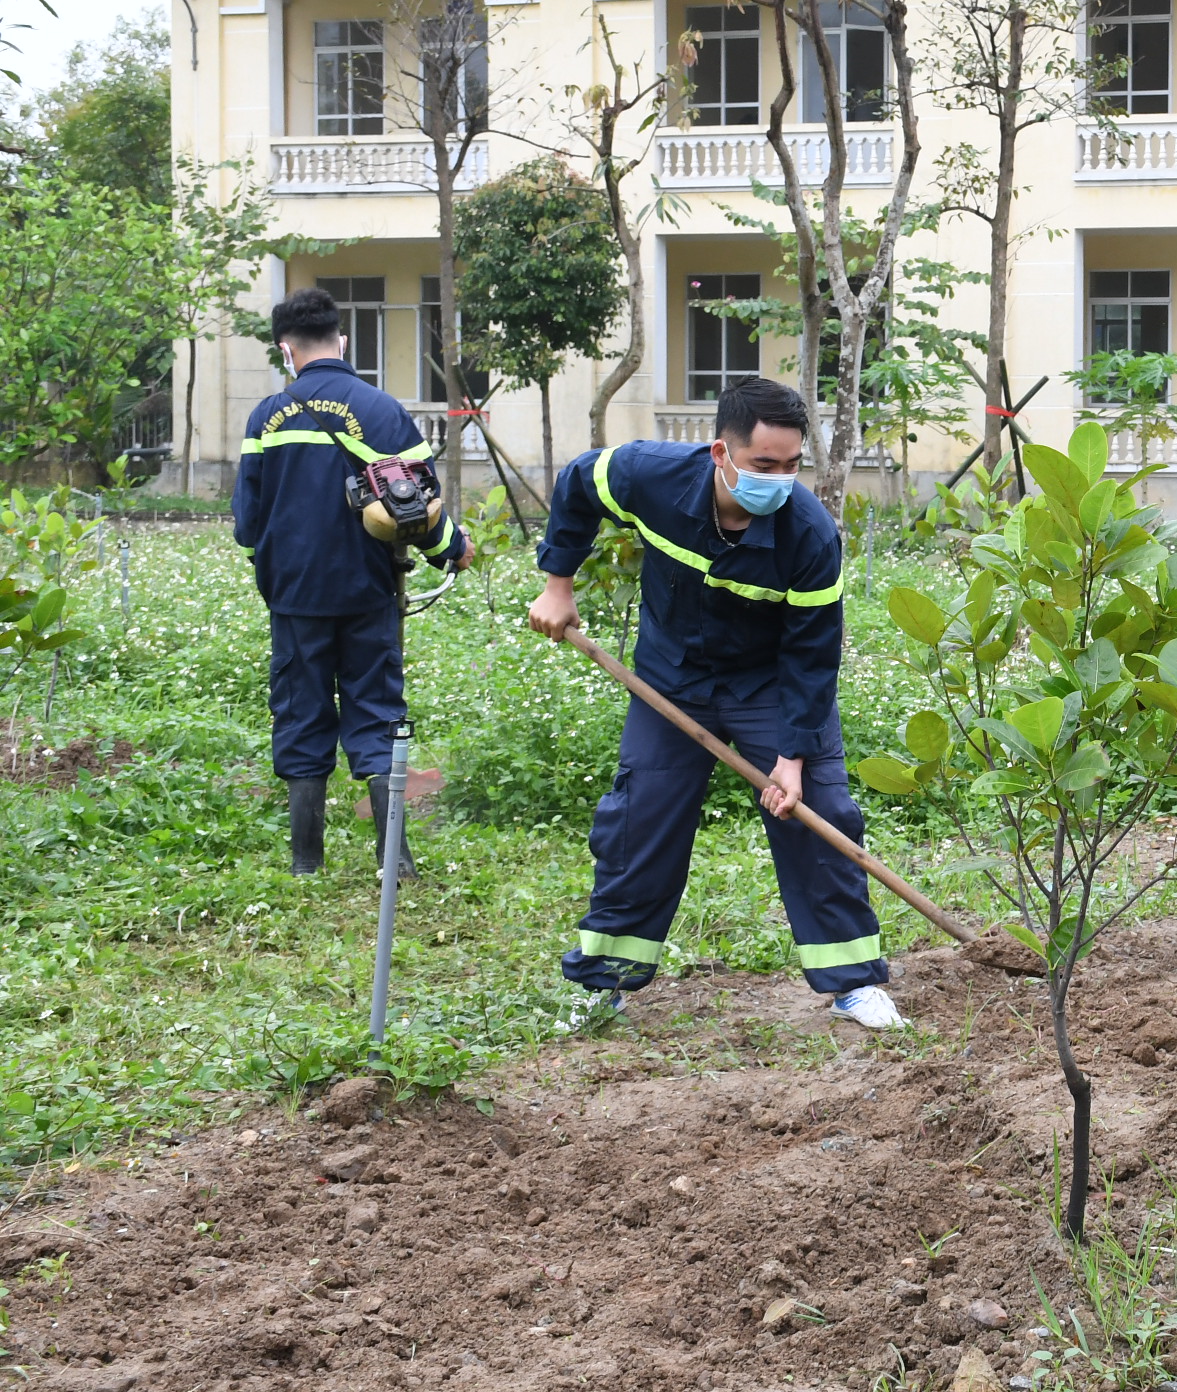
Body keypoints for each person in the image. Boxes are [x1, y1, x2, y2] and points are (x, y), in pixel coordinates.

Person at [525, 376, 904, 1030]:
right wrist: (558, 585)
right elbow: (579, 482)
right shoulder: (649, 476)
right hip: (670, 677)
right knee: (640, 817)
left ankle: (853, 983)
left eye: (792, 466)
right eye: (764, 465)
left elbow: (812, 657)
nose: (780, 481)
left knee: (820, 811)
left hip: (767, 686)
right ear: (720, 453)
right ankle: (605, 981)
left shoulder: (809, 535)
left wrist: (792, 757)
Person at [233, 287, 469, 876]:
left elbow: (246, 524)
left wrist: (277, 562)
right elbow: (421, 503)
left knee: (300, 714)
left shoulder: (266, 418)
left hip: (295, 597)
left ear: (286, 350)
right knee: (378, 711)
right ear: (341, 341)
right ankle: (397, 863)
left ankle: (305, 864)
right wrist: (454, 550)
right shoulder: (382, 410)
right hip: (369, 592)